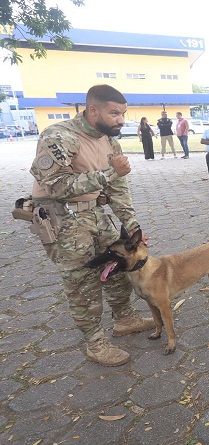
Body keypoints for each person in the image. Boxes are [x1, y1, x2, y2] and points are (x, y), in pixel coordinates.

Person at [29, 84, 155, 366]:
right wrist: (109, 173)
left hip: (95, 213)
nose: (121, 120)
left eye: (123, 113)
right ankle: (95, 344)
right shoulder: (58, 136)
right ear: (93, 109)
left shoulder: (110, 140)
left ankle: (124, 319)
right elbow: (57, 186)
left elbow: (119, 186)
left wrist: (132, 226)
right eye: (114, 113)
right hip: (63, 220)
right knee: (82, 283)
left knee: (121, 266)